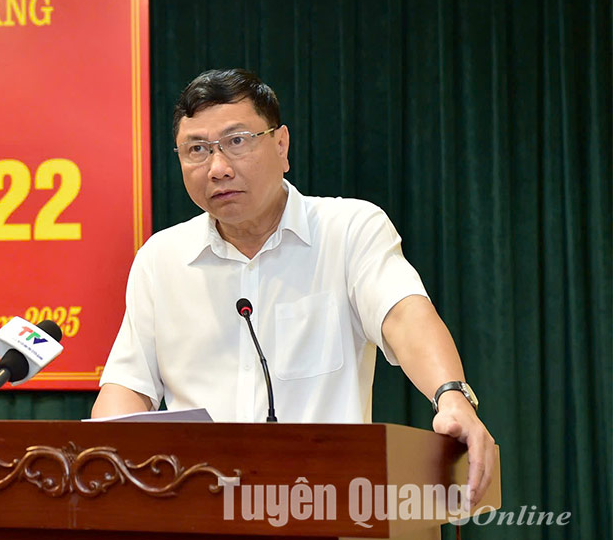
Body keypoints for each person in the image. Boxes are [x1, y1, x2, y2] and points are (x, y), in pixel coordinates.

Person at [91, 68, 496, 504]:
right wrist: (105, 469)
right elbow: (128, 387)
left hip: (324, 504)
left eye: (237, 141)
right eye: (197, 150)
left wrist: (451, 396)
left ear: (281, 145)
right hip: (196, 510)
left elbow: (404, 316)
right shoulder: (161, 258)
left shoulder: (349, 230)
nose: (218, 168)